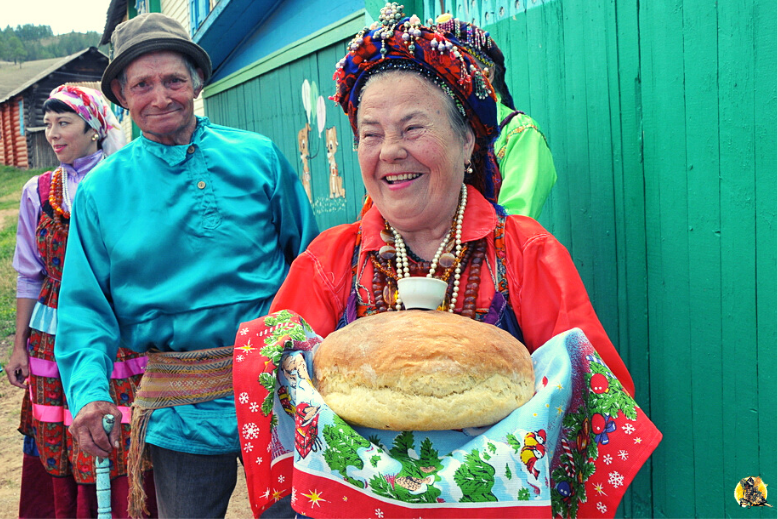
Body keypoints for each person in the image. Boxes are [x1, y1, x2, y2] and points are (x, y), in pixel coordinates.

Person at [232, 5, 659, 518]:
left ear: (468, 140)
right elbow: (282, 399)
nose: (389, 151)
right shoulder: (331, 260)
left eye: (413, 128)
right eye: (370, 134)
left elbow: (598, 400)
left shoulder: (525, 253)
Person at [53, 13, 319, 519]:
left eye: (174, 80)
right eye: (142, 85)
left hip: (279, 386)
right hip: (181, 401)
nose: (160, 97)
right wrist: (88, 392)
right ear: (121, 96)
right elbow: (85, 308)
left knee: (299, 512)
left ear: (197, 82)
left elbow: (310, 262)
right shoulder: (102, 192)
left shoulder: (258, 157)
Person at [6, 85, 156, 518]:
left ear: (94, 130)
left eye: (64, 123)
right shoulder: (39, 192)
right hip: (53, 336)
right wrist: (19, 344)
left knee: (125, 430)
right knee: (62, 430)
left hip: (118, 332)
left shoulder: (124, 182)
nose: (53, 134)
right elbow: (29, 275)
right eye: (48, 124)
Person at [435, 14, 558, 219]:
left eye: (456, 70)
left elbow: (515, 221)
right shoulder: (438, 128)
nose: (446, 82)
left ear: (488, 73)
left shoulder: (519, 132)